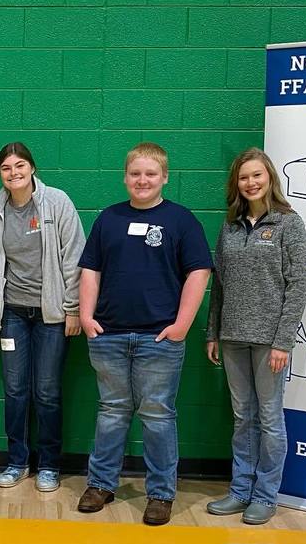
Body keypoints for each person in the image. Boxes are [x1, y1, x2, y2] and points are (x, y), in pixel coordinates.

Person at [77, 142, 212, 524]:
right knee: (112, 412)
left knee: (157, 416)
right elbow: (91, 270)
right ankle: (101, 484)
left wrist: (182, 324)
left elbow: (199, 272)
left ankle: (160, 493)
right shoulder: (109, 218)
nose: (142, 180)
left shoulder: (182, 221)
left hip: (160, 340)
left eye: (150, 174)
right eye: (135, 174)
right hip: (109, 336)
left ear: (164, 177)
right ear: (125, 177)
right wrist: (86, 316)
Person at [205, 148, 306, 525]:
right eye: (243, 177)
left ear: (270, 179)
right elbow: (220, 284)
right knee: (242, 417)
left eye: (257, 176)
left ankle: (265, 495)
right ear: (236, 183)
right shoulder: (230, 226)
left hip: (269, 341)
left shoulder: (288, 223)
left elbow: (298, 286)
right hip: (232, 337)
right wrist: (213, 332)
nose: (250, 183)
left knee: (269, 416)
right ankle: (240, 490)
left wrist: (284, 341)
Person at [0, 143, 86, 493]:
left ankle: (49, 465)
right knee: (14, 390)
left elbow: (75, 257)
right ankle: (17, 461)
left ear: (32, 168)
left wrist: (72, 308)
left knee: (46, 391)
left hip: (52, 315)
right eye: (6, 168)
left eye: (20, 165)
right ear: (0, 174)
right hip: (12, 313)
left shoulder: (56, 202)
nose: (14, 173)